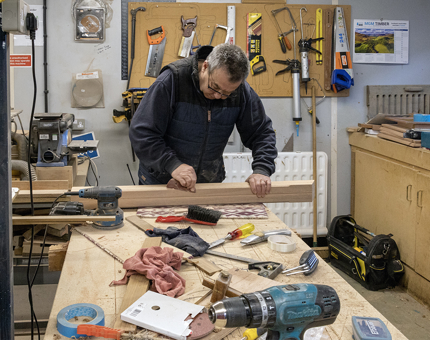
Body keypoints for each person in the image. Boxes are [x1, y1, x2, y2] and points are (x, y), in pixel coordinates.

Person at [129, 44, 277, 198]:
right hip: (160, 183)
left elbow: (262, 134)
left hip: (208, 185)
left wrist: (262, 170)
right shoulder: (172, 80)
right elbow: (142, 132)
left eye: (227, 93)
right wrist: (172, 164)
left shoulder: (241, 92)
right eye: (214, 87)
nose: (219, 96)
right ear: (205, 66)